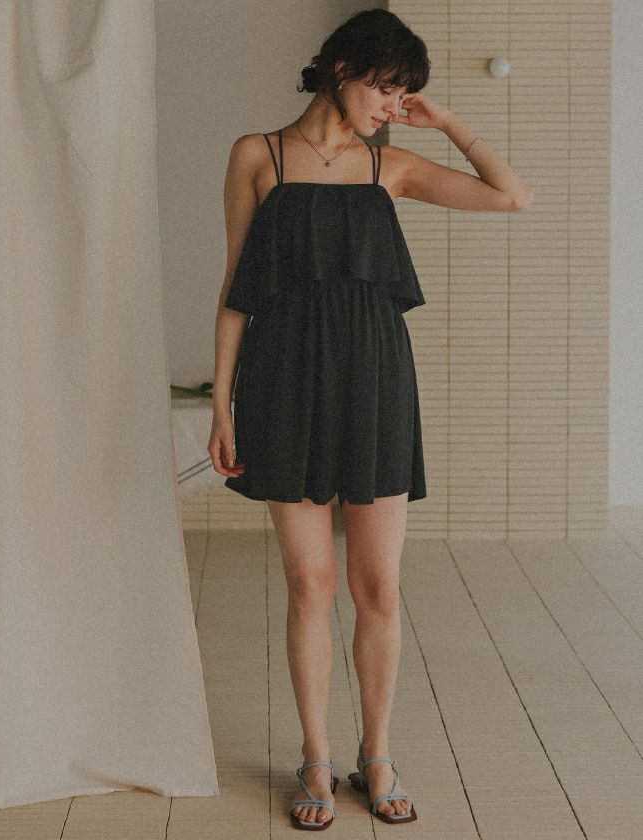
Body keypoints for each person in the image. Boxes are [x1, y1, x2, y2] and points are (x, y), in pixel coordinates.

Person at [209, 7, 533, 831]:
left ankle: (377, 754)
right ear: (343, 69)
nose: (395, 105)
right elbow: (237, 286)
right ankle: (317, 759)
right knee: (309, 584)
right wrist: (221, 403)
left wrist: (446, 121)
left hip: (377, 383)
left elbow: (512, 196)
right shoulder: (258, 154)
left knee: (379, 587)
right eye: (389, 88)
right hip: (284, 382)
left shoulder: (391, 165)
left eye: (405, 94)